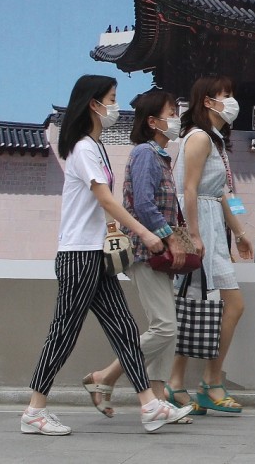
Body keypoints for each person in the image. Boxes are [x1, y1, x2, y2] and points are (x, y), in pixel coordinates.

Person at [22, 75, 194, 435]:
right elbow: (105, 199)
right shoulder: (84, 148)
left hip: (94, 256)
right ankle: (35, 410)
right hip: (77, 255)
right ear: (93, 104)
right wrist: (146, 233)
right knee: (64, 333)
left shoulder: (96, 147)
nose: (116, 106)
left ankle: (149, 405)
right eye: (111, 99)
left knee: (125, 330)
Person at [82, 89, 201, 423]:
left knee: (169, 328)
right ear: (153, 121)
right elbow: (145, 205)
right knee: (164, 327)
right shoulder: (145, 154)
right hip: (145, 250)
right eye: (171, 113)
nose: (176, 119)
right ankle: (104, 377)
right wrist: (171, 240)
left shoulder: (160, 156)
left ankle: (159, 401)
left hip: (158, 251)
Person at [169, 76, 254, 414]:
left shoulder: (215, 142)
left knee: (192, 306)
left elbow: (224, 193)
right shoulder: (200, 138)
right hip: (200, 228)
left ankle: (180, 383)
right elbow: (189, 190)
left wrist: (240, 229)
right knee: (226, 305)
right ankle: (208, 381)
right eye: (226, 95)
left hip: (212, 229)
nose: (231, 102)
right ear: (207, 101)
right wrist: (194, 235)